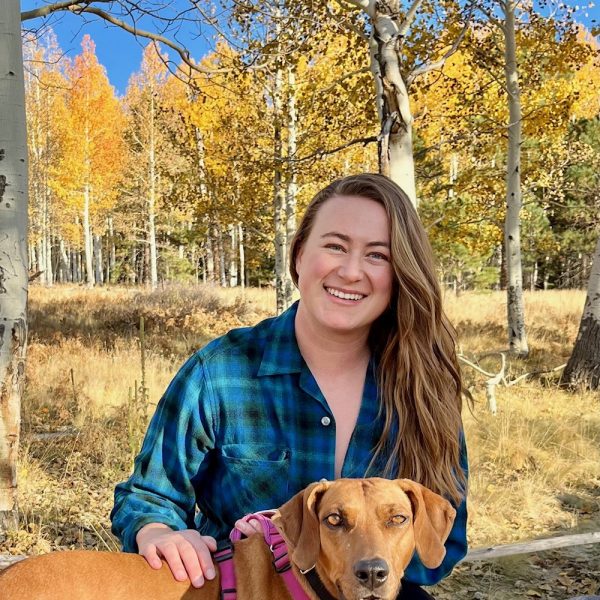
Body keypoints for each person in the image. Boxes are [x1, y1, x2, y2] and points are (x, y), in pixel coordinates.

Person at [111, 173, 468, 599]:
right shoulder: (220, 372)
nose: (351, 271)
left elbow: (441, 547)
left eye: (378, 255)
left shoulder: (421, 387)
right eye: (335, 246)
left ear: (399, 273)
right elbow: (148, 496)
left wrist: (374, 546)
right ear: (299, 255)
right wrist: (157, 532)